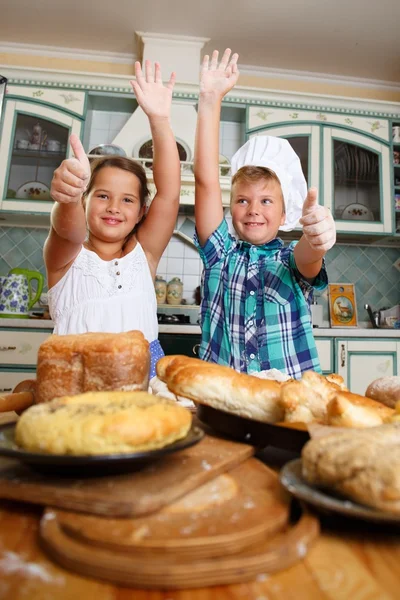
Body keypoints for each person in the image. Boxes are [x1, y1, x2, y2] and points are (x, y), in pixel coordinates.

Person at [193, 49, 336, 378]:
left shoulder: (289, 260)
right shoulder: (219, 253)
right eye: (242, 200)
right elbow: (206, 181)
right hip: (223, 402)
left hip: (289, 404)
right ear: (230, 208)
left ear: (286, 210)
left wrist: (317, 236)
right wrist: (211, 99)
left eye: (266, 201)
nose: (253, 209)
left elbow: (309, 256)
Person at [45, 60, 180, 378]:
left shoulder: (143, 255)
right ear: (85, 199)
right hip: (74, 381)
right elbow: (68, 231)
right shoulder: (67, 258)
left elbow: (170, 193)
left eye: (128, 200)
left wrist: (159, 119)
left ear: (141, 212)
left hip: (137, 387)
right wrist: (67, 197)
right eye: (102, 195)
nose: (114, 207)